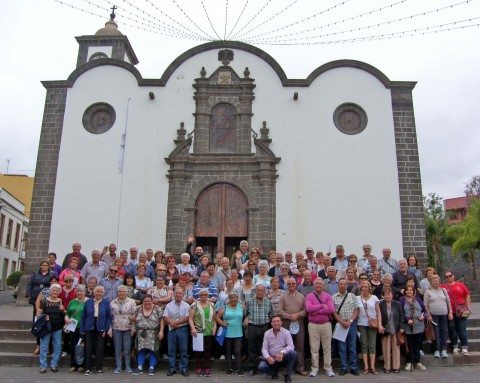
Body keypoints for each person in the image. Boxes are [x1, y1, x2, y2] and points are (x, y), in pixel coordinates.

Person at [277, 278, 307, 376]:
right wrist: (289, 316)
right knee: (286, 346)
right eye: (289, 284)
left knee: (299, 346)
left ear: (296, 284)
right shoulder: (283, 297)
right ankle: (286, 368)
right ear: (287, 285)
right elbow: (279, 311)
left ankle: (300, 367)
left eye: (293, 283)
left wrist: (297, 315)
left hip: (299, 323)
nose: (291, 285)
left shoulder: (301, 296)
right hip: (286, 323)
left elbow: (305, 310)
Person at [305, 278, 335, 377]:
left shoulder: (328, 296)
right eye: (316, 284)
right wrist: (322, 306)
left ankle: (328, 367)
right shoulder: (309, 296)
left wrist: (317, 311)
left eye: (320, 284)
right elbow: (309, 308)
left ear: (323, 285)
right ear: (314, 286)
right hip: (313, 325)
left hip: (326, 324)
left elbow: (331, 309)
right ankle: (314, 368)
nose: (318, 285)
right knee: (314, 348)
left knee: (327, 348)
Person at [80, 285, 112, 375]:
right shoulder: (88, 302)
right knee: (88, 348)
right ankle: (88, 368)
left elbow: (109, 317)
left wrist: (106, 329)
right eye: (97, 291)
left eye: (101, 292)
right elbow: (83, 317)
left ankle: (99, 368)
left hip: (101, 327)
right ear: (94, 293)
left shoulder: (106, 303)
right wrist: (82, 330)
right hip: (89, 326)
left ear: (103, 293)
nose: (99, 293)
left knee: (99, 348)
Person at [332, 278, 360, 376]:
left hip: (351, 325)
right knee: (342, 348)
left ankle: (353, 367)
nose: (342, 286)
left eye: (344, 284)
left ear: (347, 286)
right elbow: (334, 313)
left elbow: (357, 310)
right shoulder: (334, 297)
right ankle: (343, 367)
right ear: (338, 285)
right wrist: (341, 322)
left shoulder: (352, 296)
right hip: (340, 325)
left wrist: (350, 321)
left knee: (352, 347)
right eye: (341, 284)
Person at [26, 259, 54, 355]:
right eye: (43, 265)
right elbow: (30, 284)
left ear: (48, 266)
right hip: (36, 300)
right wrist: (28, 294)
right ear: (40, 266)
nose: (44, 266)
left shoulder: (51, 275)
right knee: (38, 324)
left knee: (48, 324)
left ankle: (47, 347)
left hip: (47, 302)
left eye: (46, 265)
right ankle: (38, 346)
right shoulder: (35, 274)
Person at [132, 294, 164, 376]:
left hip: (153, 333)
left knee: (153, 351)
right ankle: (139, 367)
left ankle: (152, 367)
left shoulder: (157, 308)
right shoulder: (138, 308)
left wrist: (161, 331)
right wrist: (132, 326)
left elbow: (162, 320)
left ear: (152, 300)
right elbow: (133, 319)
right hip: (141, 333)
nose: (147, 302)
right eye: (145, 301)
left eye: (148, 301)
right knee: (140, 350)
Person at [244, 284, 273, 376]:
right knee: (252, 348)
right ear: (255, 291)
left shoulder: (268, 302)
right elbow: (245, 313)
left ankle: (263, 368)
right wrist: (247, 318)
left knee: (264, 348)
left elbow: (271, 314)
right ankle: (252, 368)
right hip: (253, 326)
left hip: (265, 326)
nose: (260, 292)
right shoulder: (249, 302)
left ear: (264, 292)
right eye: (258, 290)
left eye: (261, 290)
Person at [258, 315, 297, 383]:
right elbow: (264, 348)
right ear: (271, 323)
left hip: (283, 358)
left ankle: (287, 375)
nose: (276, 323)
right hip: (272, 359)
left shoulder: (286, 332)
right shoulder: (267, 333)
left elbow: (291, 346)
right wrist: (267, 357)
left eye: (278, 321)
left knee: (293, 353)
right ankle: (274, 372)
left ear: (281, 323)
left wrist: (282, 352)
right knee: (261, 367)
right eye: (274, 321)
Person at [36, 283, 65, 373]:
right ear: (50, 291)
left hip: (57, 326)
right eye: (53, 290)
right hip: (46, 327)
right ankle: (43, 366)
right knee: (44, 346)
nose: (55, 292)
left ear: (59, 292)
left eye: (57, 291)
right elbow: (38, 314)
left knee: (57, 346)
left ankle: (54, 364)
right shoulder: (44, 301)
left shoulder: (60, 301)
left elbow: (64, 314)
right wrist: (44, 316)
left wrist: (63, 309)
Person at [442, 271, 471, 355]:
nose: (448, 278)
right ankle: (455, 346)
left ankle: (464, 347)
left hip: (461, 310)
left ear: (453, 276)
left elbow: (467, 294)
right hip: (450, 312)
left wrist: (468, 306)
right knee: (452, 330)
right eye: (446, 277)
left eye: (450, 276)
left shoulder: (460, 285)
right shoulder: (443, 286)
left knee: (462, 329)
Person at [109, 285, 137, 373]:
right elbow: (110, 317)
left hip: (127, 327)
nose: (121, 293)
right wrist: (110, 329)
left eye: (123, 291)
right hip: (116, 327)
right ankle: (118, 366)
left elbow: (135, 315)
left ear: (126, 292)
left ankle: (128, 366)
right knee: (117, 347)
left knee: (127, 348)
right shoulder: (112, 302)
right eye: (120, 291)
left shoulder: (131, 302)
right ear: (117, 292)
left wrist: (133, 328)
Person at [216, 290, 245, 376]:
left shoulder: (242, 306)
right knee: (228, 351)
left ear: (237, 298)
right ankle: (229, 368)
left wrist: (246, 319)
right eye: (231, 298)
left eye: (235, 297)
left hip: (238, 332)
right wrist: (222, 323)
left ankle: (239, 368)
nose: (233, 299)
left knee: (238, 351)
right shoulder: (224, 307)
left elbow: (248, 314)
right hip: (227, 331)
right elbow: (217, 317)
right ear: (229, 299)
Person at [190, 288, 217, 377]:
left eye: (205, 295)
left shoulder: (212, 305)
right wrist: (193, 328)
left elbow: (214, 318)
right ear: (199, 295)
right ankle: (198, 368)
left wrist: (215, 327)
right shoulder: (194, 305)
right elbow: (190, 318)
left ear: (208, 295)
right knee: (198, 351)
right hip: (197, 331)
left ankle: (207, 368)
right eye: (201, 295)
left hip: (208, 331)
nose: (203, 296)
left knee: (207, 351)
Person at [163, 287, 190, 377]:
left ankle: (184, 368)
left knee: (183, 350)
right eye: (176, 293)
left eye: (180, 293)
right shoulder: (169, 305)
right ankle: (172, 368)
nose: (178, 295)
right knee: (171, 350)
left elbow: (187, 317)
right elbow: (165, 316)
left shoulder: (186, 306)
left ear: (183, 295)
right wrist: (171, 323)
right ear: (174, 294)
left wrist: (175, 323)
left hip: (182, 329)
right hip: (171, 330)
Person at [376, 287, 404, 373]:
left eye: (390, 294)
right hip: (385, 329)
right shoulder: (381, 304)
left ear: (392, 295)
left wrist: (401, 327)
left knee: (396, 348)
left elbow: (401, 316)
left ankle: (396, 367)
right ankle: (387, 367)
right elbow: (378, 316)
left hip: (395, 329)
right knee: (386, 348)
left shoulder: (397, 304)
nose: (388, 296)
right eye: (386, 294)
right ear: (383, 296)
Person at [424, 274, 453, 358]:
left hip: (444, 314)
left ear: (439, 281)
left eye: (437, 281)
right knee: (435, 333)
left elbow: (448, 302)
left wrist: (450, 312)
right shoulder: (428, 291)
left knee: (444, 332)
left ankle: (444, 349)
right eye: (433, 281)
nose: (435, 282)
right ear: (431, 282)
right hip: (434, 315)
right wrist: (428, 315)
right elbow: (425, 304)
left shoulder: (443, 290)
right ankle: (436, 349)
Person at [400, 285, 427, 371]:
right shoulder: (402, 300)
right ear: (405, 292)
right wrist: (407, 319)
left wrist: (424, 316)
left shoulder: (418, 300)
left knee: (417, 345)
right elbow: (401, 312)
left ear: (413, 291)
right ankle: (409, 362)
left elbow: (424, 311)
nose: (409, 292)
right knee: (409, 345)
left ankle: (418, 362)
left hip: (419, 325)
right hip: (408, 326)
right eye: (407, 290)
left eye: (411, 290)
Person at [356, 280, 379, 375]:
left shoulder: (374, 298)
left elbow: (378, 312)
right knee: (364, 344)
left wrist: (380, 323)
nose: (364, 288)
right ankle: (366, 366)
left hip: (372, 323)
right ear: (361, 288)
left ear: (369, 288)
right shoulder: (357, 298)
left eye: (366, 286)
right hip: (361, 323)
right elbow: (356, 311)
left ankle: (372, 366)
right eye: (363, 286)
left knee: (372, 344)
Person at [64, 284, 87, 372]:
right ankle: (73, 364)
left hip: (82, 327)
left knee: (81, 346)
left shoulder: (87, 302)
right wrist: (66, 318)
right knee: (73, 345)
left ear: (84, 292)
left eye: (81, 291)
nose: (79, 293)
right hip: (72, 326)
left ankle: (81, 364)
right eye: (78, 291)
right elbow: (68, 313)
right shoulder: (72, 301)